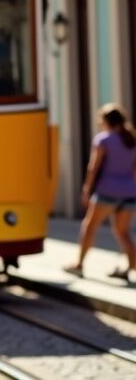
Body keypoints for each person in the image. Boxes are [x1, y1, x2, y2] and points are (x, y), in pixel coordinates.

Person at [65, 103, 136, 280]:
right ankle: (131, 266)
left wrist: (87, 189)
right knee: (123, 232)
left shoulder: (103, 140)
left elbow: (93, 167)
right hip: (129, 192)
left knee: (90, 226)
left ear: (106, 121)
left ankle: (79, 264)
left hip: (108, 191)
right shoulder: (131, 140)